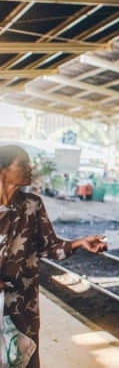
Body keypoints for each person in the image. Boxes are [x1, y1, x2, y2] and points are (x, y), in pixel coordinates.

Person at [0, 144, 106, 368]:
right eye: (23, 164)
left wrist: (79, 242)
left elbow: (49, 246)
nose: (31, 168)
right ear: (2, 170)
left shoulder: (32, 205)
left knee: (23, 358)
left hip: (22, 305)